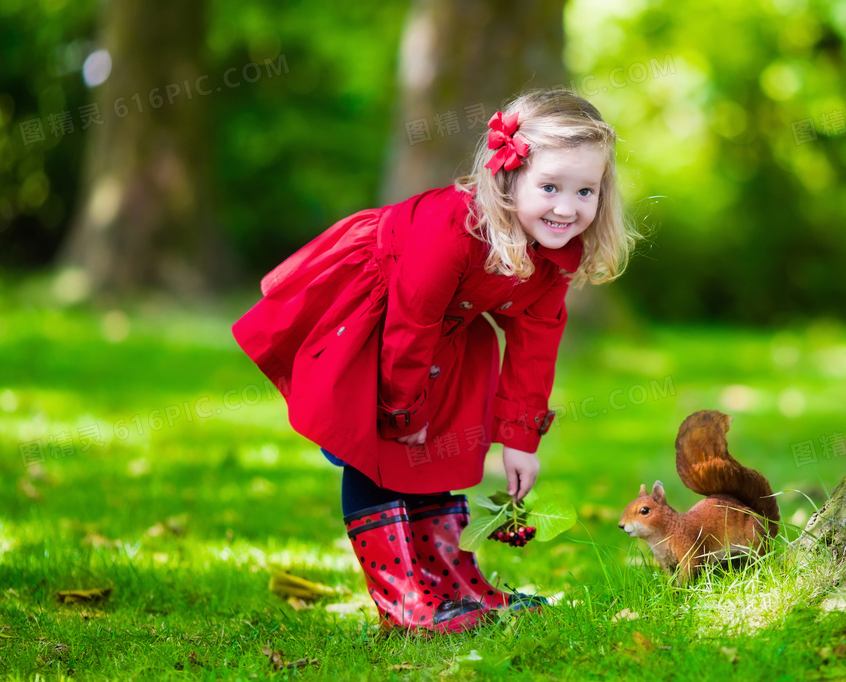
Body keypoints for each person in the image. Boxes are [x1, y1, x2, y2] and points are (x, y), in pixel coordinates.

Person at [231, 89, 638, 634]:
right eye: (549, 187)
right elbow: (410, 324)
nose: (567, 208)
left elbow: (535, 343)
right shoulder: (453, 230)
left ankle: (451, 584)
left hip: (445, 332)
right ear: (507, 178)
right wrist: (406, 412)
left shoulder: (556, 253)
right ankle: (402, 596)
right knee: (378, 452)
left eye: (584, 191)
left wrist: (520, 439)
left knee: (443, 449)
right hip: (376, 314)